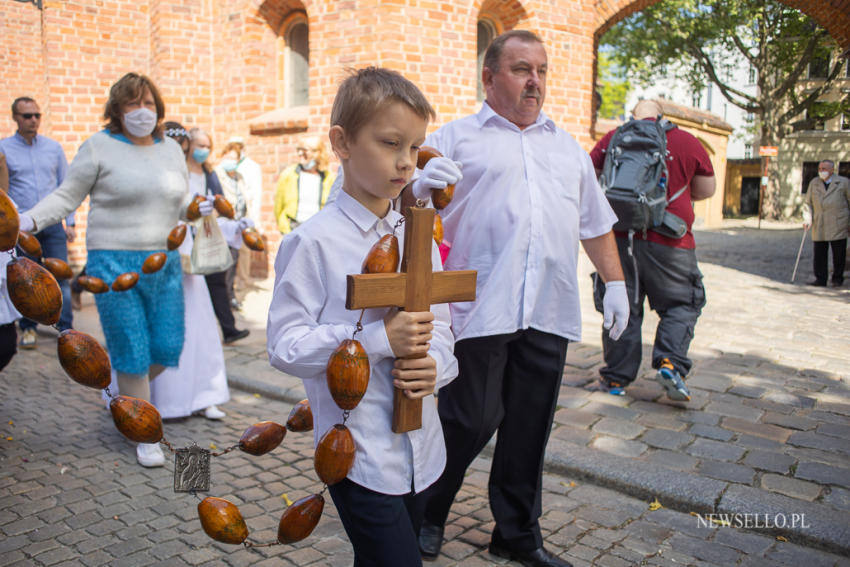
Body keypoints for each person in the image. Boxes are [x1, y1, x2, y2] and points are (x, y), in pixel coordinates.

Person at [416, 30, 629, 567]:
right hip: (479, 304)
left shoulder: (567, 148)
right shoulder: (455, 138)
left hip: (547, 306)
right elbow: (404, 199)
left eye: (540, 69)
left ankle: (516, 532)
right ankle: (425, 511)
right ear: (489, 78)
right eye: (519, 69)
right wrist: (415, 186)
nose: (534, 80)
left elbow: (595, 223)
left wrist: (617, 284)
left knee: (530, 426)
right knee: (468, 419)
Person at [267, 67, 458, 566]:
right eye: (390, 142)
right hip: (360, 454)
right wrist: (377, 340)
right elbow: (285, 345)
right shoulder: (313, 242)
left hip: (421, 445)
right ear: (342, 142)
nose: (405, 162)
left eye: (415, 148)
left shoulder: (419, 234)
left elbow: (443, 325)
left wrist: (436, 363)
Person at [18, 72, 213, 467]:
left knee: (167, 347)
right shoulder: (99, 147)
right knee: (133, 349)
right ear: (116, 110)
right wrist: (27, 221)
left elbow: (178, 206)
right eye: (131, 104)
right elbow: (66, 197)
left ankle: (123, 398)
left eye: (148, 103)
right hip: (111, 262)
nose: (141, 111)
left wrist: (196, 210)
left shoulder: (171, 151)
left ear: (158, 109)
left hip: (164, 260)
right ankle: (143, 433)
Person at [587, 99, 716, 402]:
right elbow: (706, 190)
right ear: (662, 116)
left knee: (621, 307)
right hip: (670, 242)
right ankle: (670, 363)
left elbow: (590, 177)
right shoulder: (686, 141)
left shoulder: (614, 138)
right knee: (681, 304)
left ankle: (616, 379)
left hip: (619, 239)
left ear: (633, 117)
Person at [147, 121, 229, 420]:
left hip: (187, 253)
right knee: (165, 326)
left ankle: (204, 393)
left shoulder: (194, 175)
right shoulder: (150, 174)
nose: (181, 156)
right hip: (157, 250)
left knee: (199, 325)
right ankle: (164, 399)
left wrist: (202, 212)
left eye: (184, 150)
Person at [0, 97, 75, 348]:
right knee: (26, 279)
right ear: (15, 119)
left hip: (52, 224)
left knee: (60, 275)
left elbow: (67, 186)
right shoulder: (4, 149)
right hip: (21, 226)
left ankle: (66, 330)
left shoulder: (53, 148)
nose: (33, 120)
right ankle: (29, 328)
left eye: (36, 115)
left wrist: (71, 222)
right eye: (27, 116)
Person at [186, 128, 250, 344]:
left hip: (207, 232)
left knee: (217, 282)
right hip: (186, 233)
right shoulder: (181, 172)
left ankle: (228, 328)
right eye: (199, 145)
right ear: (188, 145)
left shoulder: (209, 174)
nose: (203, 150)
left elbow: (219, 201)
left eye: (207, 147)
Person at [215, 141, 256, 311]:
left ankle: (230, 296)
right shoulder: (216, 174)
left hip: (237, 228)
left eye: (234, 158)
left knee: (232, 264)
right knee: (222, 266)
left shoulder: (239, 177)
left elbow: (245, 199)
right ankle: (223, 299)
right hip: (222, 226)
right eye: (228, 156)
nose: (230, 160)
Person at [273, 134, 336, 234]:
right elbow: (278, 207)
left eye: (304, 150)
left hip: (318, 230)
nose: (300, 153)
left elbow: (333, 207)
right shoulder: (288, 174)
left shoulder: (328, 178)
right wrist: (284, 229)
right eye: (298, 149)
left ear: (317, 153)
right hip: (294, 229)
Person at [802, 160, 850, 288]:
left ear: (832, 170)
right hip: (820, 222)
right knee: (819, 253)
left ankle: (837, 279)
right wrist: (807, 219)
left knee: (839, 253)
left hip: (838, 222)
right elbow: (808, 203)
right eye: (820, 168)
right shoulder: (814, 183)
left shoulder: (844, 182)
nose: (821, 171)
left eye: (824, 168)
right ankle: (820, 278)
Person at [224, 135, 263, 223]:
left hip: (245, 215)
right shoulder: (223, 169)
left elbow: (255, 196)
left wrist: (255, 221)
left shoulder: (252, 167)